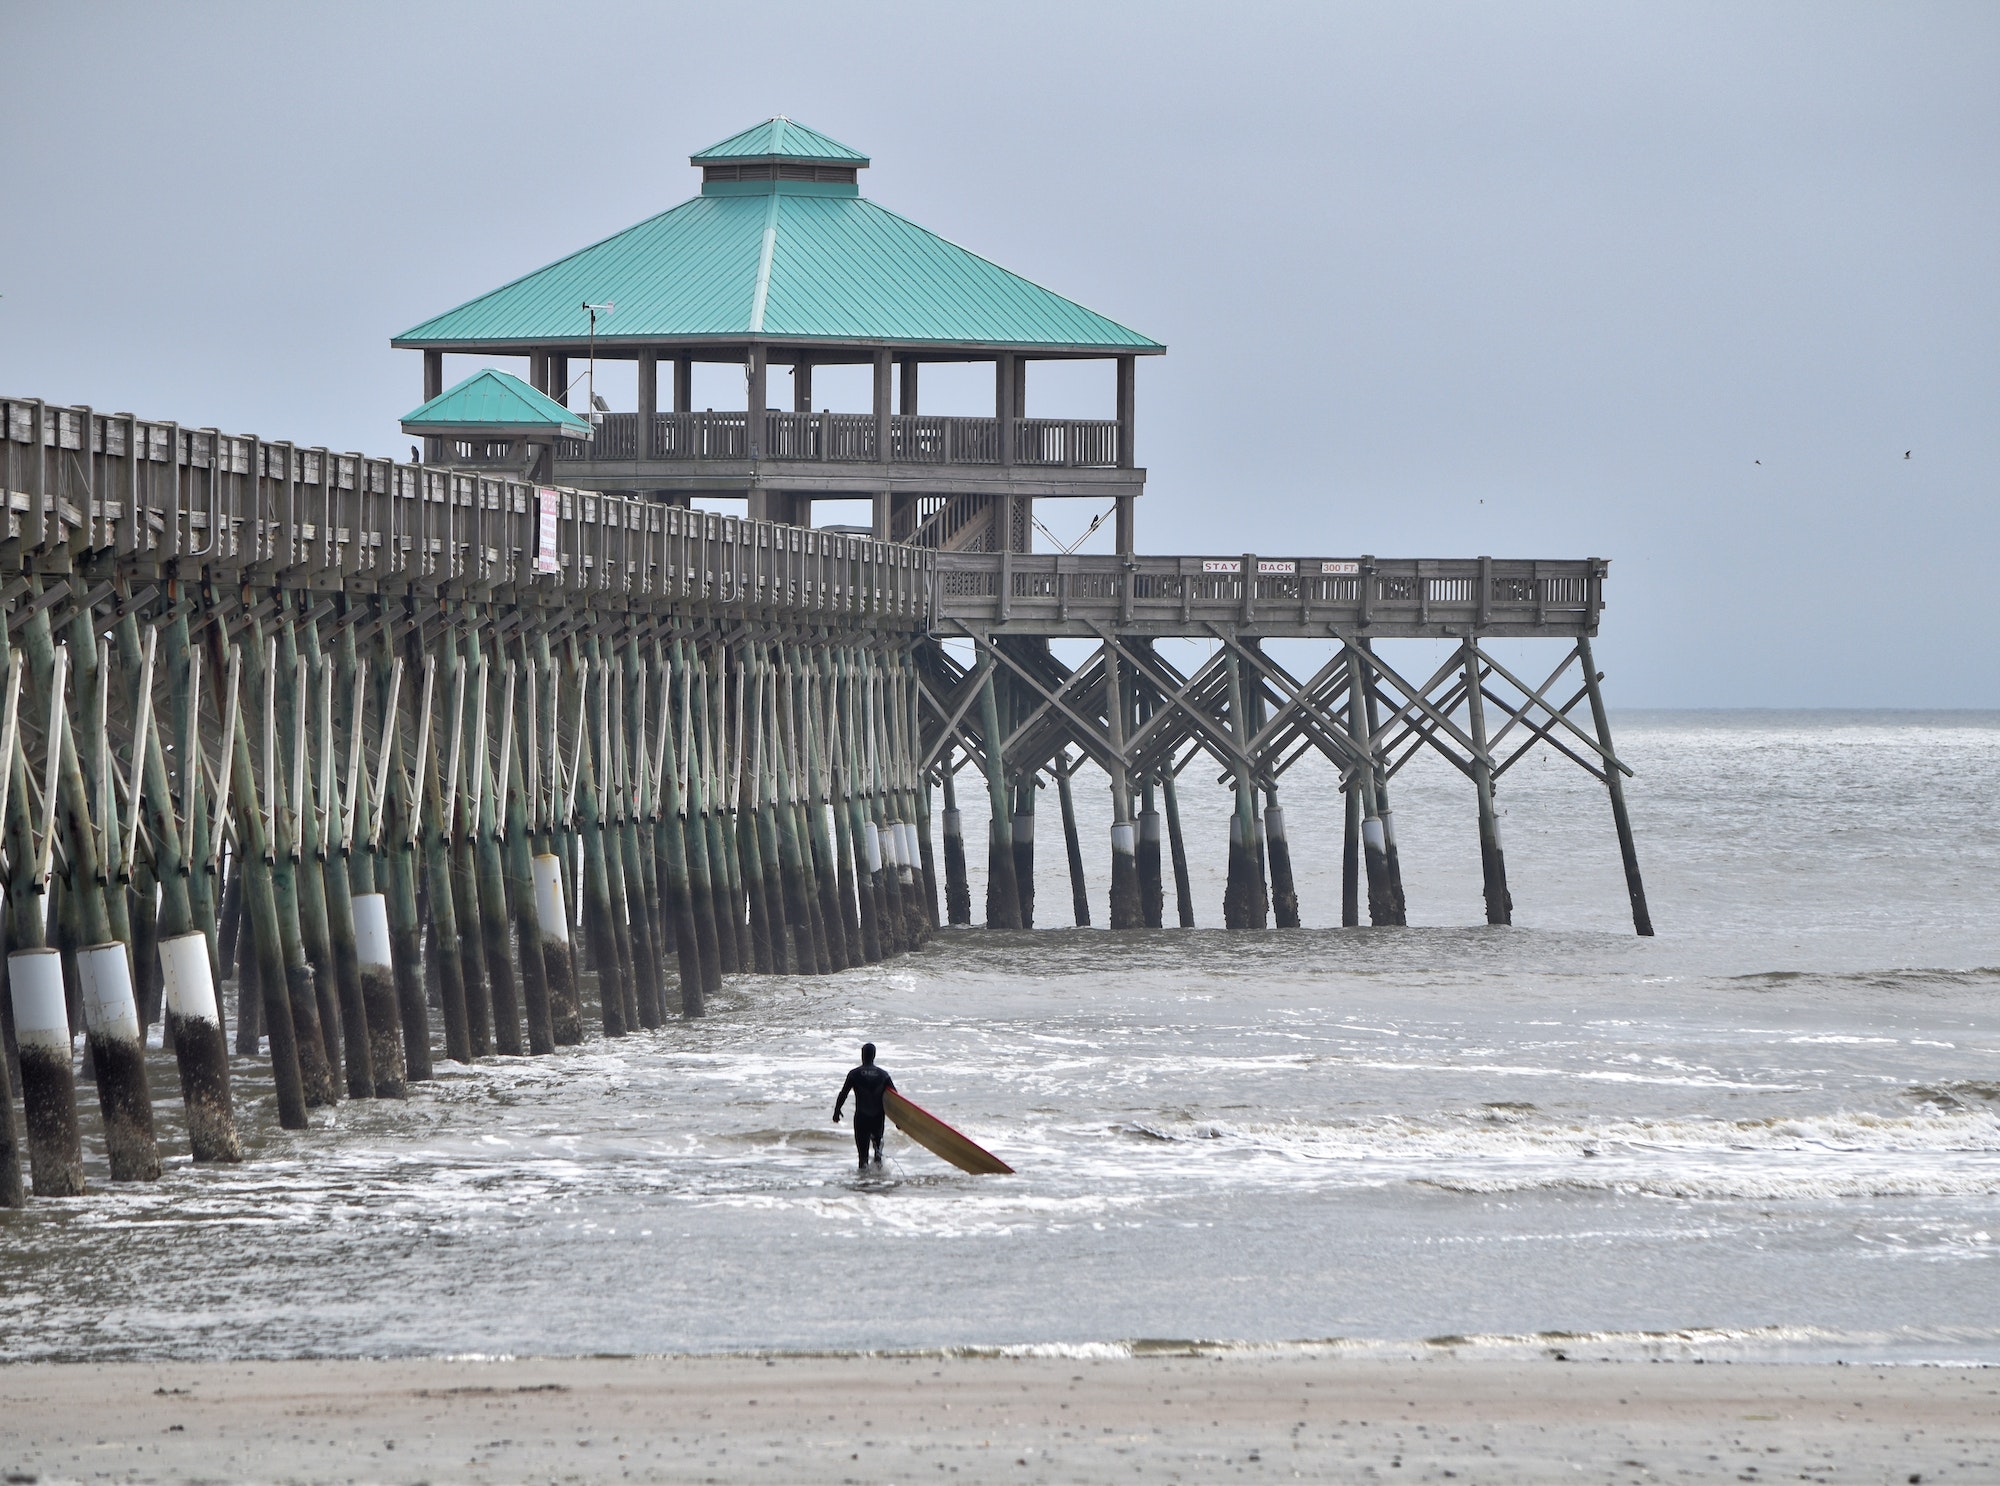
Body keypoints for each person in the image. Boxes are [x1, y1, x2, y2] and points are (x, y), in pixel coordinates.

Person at [833, 1043, 895, 1171]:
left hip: (861, 1118)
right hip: (878, 1119)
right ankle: (879, 1180)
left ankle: (863, 1184)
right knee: (878, 1155)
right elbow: (895, 1098)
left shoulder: (854, 1074)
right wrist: (899, 1120)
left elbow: (843, 1093)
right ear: (874, 1055)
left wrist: (837, 1111)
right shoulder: (883, 1075)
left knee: (862, 1157)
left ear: (862, 1055)